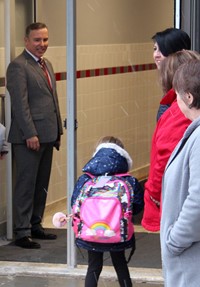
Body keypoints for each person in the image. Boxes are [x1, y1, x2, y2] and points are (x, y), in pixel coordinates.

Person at [6, 22, 63, 249]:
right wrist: (30, 133)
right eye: (37, 40)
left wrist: (58, 129)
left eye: (45, 40)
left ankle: (35, 224)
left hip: (47, 134)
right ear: (26, 41)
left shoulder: (46, 64)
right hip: (28, 136)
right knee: (26, 184)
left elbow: (53, 101)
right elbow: (20, 105)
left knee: (41, 184)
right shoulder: (18, 66)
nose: (42, 44)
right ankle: (22, 231)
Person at [71, 136, 144, 287]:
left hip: (91, 233)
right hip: (118, 232)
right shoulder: (129, 181)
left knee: (94, 266)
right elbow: (136, 207)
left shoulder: (85, 179)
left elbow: (74, 204)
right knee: (120, 264)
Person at [141, 50, 200, 232]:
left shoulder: (177, 114)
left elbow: (164, 162)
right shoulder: (176, 110)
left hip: (176, 204)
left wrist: (155, 197)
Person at [160, 58, 200, 287]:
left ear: (189, 98)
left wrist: (175, 241)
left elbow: (198, 200)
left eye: (177, 95)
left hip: (192, 264)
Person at [152, 27, 191, 120]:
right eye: (155, 49)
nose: (156, 55)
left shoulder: (187, 87)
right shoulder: (170, 83)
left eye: (162, 50)